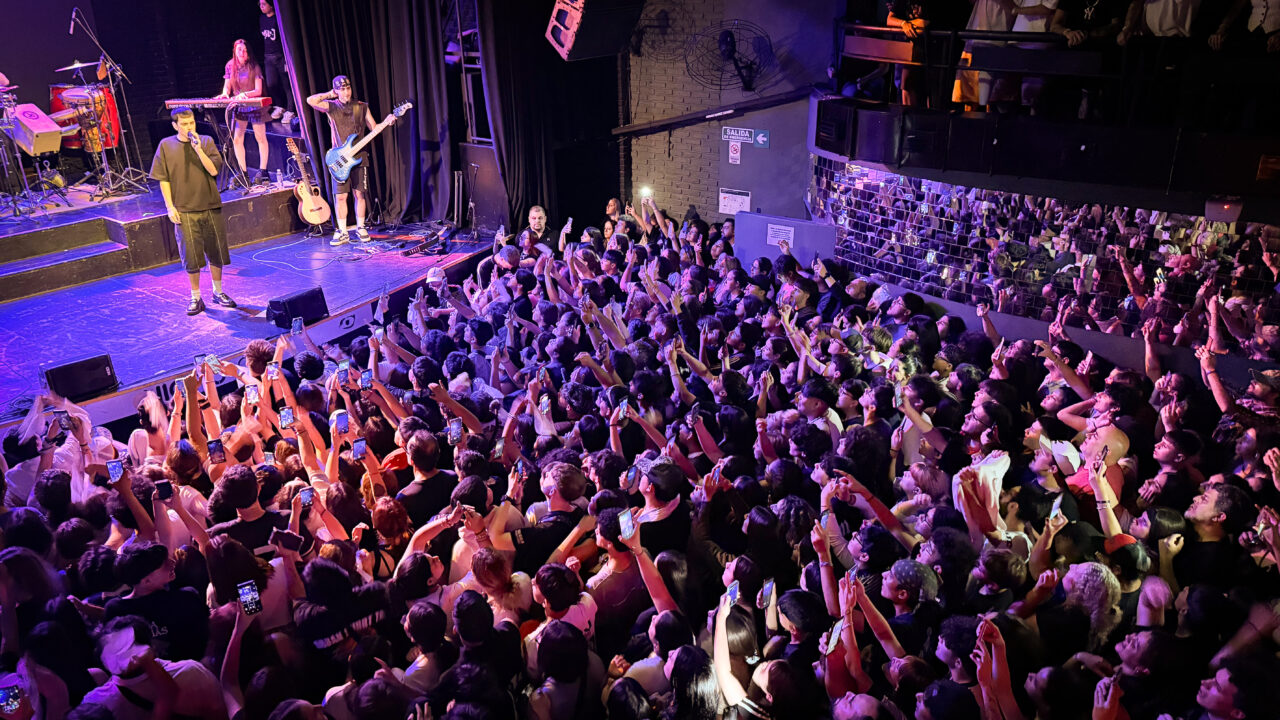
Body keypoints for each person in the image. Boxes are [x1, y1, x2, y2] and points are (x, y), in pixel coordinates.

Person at [150, 106, 236, 316]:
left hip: (209, 205)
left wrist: (198, 149)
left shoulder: (205, 141)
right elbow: (164, 179)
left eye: (191, 123)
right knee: (191, 256)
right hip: (185, 209)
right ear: (175, 125)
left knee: (216, 252)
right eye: (184, 124)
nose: (189, 127)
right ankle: (196, 297)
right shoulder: (166, 145)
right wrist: (170, 207)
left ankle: (218, 291)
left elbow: (214, 170)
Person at [306, 76, 391, 246]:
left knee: (360, 194)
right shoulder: (331, 106)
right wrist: (330, 94)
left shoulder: (361, 107)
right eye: (342, 89)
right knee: (341, 196)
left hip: (360, 157)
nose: (346, 92)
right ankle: (343, 231)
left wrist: (387, 122)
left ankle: (361, 227)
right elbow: (310, 100)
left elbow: (374, 129)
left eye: (347, 88)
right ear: (336, 91)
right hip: (339, 159)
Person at [217, 39, 269, 185]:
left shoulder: (254, 66)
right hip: (240, 107)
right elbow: (227, 87)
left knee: (260, 137)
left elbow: (258, 90)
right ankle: (243, 173)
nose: (242, 53)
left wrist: (245, 95)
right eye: (239, 49)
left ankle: (263, 171)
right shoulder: (230, 66)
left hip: (254, 106)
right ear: (235, 50)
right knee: (237, 139)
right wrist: (225, 94)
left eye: (245, 50)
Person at [258, 0, 295, 125]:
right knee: (271, 84)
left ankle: (290, 110)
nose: (261, 7)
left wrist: (286, 59)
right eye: (260, 4)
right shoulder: (262, 19)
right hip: (268, 56)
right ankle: (279, 106)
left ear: (271, 5)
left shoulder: (278, 19)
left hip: (280, 56)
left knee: (286, 84)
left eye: (264, 4)